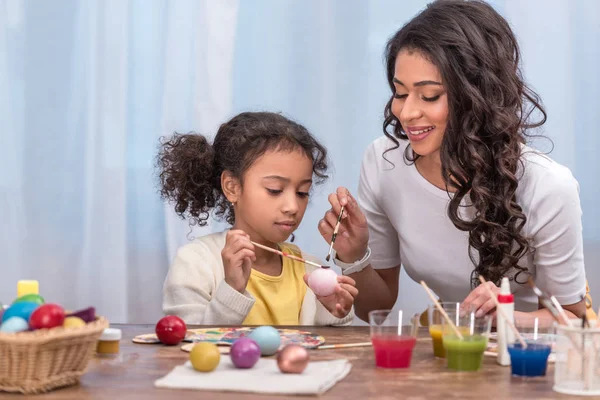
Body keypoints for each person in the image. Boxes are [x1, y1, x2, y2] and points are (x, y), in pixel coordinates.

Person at [319, 0, 588, 323]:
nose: (406, 113)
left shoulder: (547, 186)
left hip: (523, 356)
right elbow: (374, 308)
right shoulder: (383, 162)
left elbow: (575, 320)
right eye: (400, 93)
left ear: (478, 96)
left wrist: (501, 315)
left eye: (429, 95)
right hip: (445, 347)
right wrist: (355, 256)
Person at [158, 111, 356, 325]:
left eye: (302, 193)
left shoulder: (311, 269)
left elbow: (330, 349)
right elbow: (189, 343)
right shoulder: (195, 263)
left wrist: (336, 312)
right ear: (232, 187)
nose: (292, 207)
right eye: (274, 190)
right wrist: (232, 289)